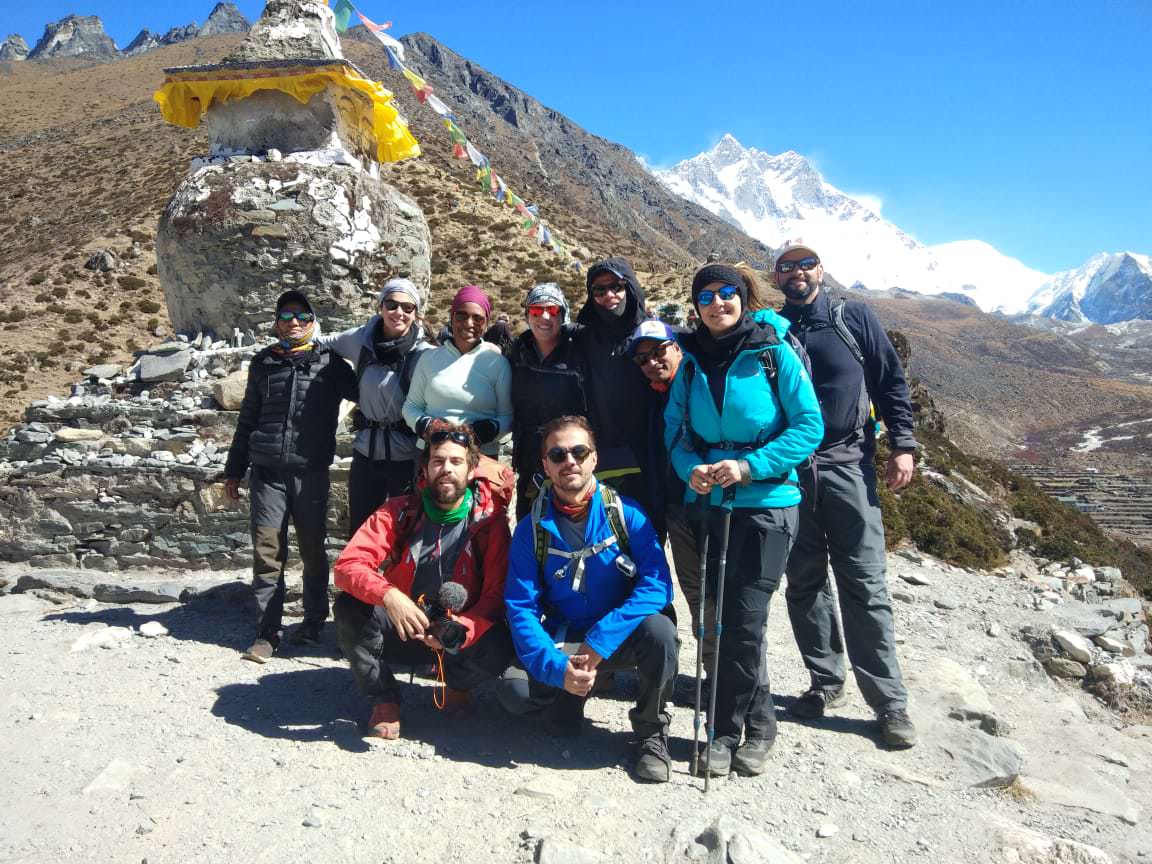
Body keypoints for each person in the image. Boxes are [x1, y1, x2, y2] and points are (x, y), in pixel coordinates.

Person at [664, 263, 824, 777]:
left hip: (768, 503)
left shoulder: (773, 353)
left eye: (727, 292)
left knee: (744, 619)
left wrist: (749, 466)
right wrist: (691, 470)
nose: (718, 303)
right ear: (696, 306)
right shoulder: (691, 362)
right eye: (706, 296)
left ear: (743, 297)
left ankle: (726, 733)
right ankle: (758, 724)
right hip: (710, 503)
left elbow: (809, 426)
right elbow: (676, 432)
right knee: (720, 620)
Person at [775, 241, 920, 749]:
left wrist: (903, 444)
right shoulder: (774, 329)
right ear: (777, 277)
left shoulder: (852, 317)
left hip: (849, 464)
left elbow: (889, 380)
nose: (797, 273)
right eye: (787, 267)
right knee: (804, 581)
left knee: (864, 583)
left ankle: (889, 702)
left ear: (821, 270)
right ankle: (825, 681)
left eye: (805, 264)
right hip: (791, 472)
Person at [501, 416, 678, 783]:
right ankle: (572, 691)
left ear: (594, 459)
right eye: (558, 454)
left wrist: (600, 641)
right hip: (565, 637)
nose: (570, 461)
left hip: (616, 636)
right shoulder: (531, 529)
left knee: (661, 631)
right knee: (514, 692)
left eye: (579, 452)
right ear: (545, 465)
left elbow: (657, 586)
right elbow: (521, 608)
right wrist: (557, 668)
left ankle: (651, 732)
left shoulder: (627, 515)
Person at [333, 421, 514, 739]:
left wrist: (461, 630)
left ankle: (458, 684)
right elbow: (348, 565)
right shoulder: (398, 512)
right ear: (425, 468)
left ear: (471, 470)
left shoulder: (490, 525)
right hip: (405, 627)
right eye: (438, 461)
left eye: (456, 461)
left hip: (455, 636)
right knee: (350, 607)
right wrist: (389, 596)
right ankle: (384, 698)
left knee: (501, 642)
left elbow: (495, 596)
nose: (447, 469)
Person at [224, 290, 358, 662]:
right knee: (268, 551)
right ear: (276, 322)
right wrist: (234, 469)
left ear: (313, 322)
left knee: (312, 549)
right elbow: (248, 417)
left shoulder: (331, 363)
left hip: (310, 471)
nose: (294, 322)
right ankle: (267, 632)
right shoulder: (264, 362)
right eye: (286, 316)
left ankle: (313, 621)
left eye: (302, 316)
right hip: (266, 473)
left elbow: (369, 395)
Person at [318, 278, 432, 534]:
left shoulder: (424, 353)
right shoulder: (360, 339)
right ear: (380, 306)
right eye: (391, 304)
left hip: (406, 457)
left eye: (407, 307)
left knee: (404, 531)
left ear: (416, 313)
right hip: (365, 454)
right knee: (361, 530)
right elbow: (320, 344)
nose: (398, 312)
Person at [577, 258, 658, 512]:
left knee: (649, 527)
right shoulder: (582, 338)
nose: (609, 295)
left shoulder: (652, 335)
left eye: (616, 287)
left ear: (630, 288)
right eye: (599, 290)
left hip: (652, 452)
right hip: (604, 455)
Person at [506, 282, 588, 520]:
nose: (544, 317)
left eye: (552, 310)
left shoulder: (579, 352)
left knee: (572, 523)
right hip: (529, 458)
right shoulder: (517, 352)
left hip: (570, 457)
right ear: (527, 315)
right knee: (529, 523)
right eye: (535, 310)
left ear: (563, 314)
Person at [403, 285, 513, 458]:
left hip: (481, 457)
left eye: (478, 318)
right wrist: (427, 426)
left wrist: (484, 431)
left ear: (486, 323)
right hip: (432, 454)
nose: (469, 323)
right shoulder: (428, 359)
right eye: (462, 316)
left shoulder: (498, 364)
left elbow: (507, 416)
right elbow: (411, 407)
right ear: (452, 318)